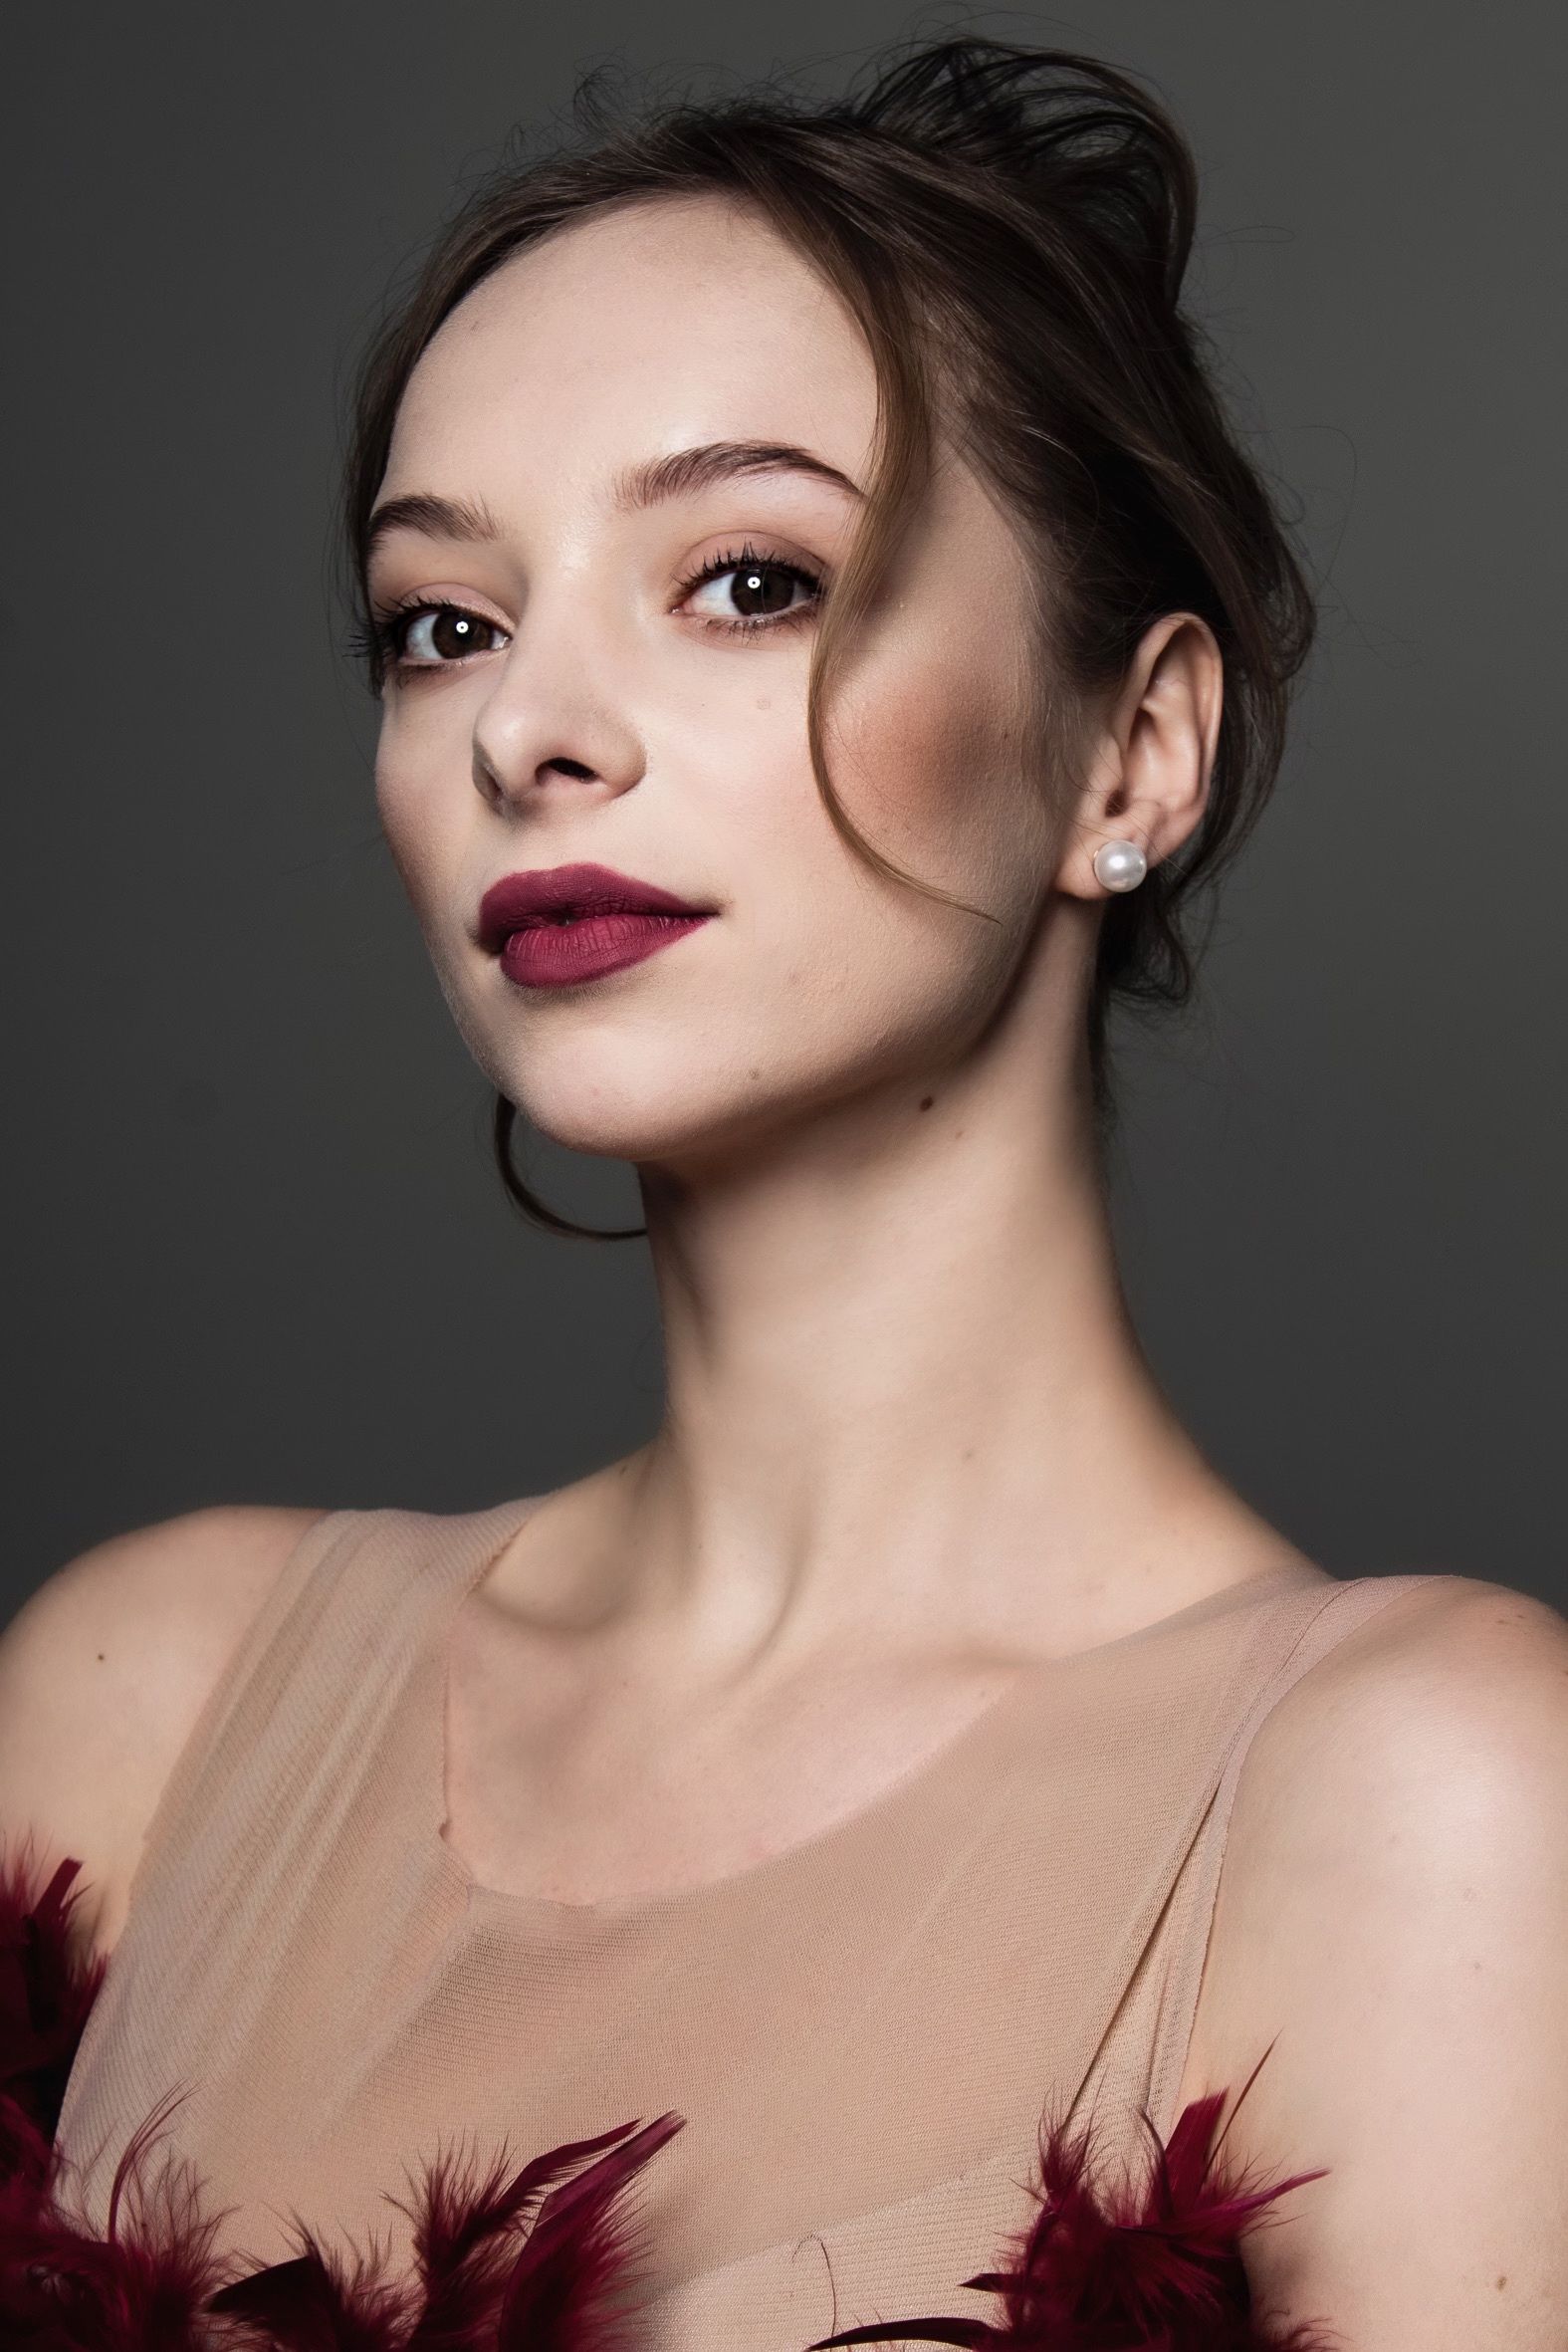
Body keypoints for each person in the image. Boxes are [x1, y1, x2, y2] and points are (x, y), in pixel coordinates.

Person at [2, 35, 1564, 2352]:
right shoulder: (144, 1702)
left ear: (1131, 746)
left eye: (742, 577)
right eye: (443, 620)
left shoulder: (1432, 1800)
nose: (533, 728)